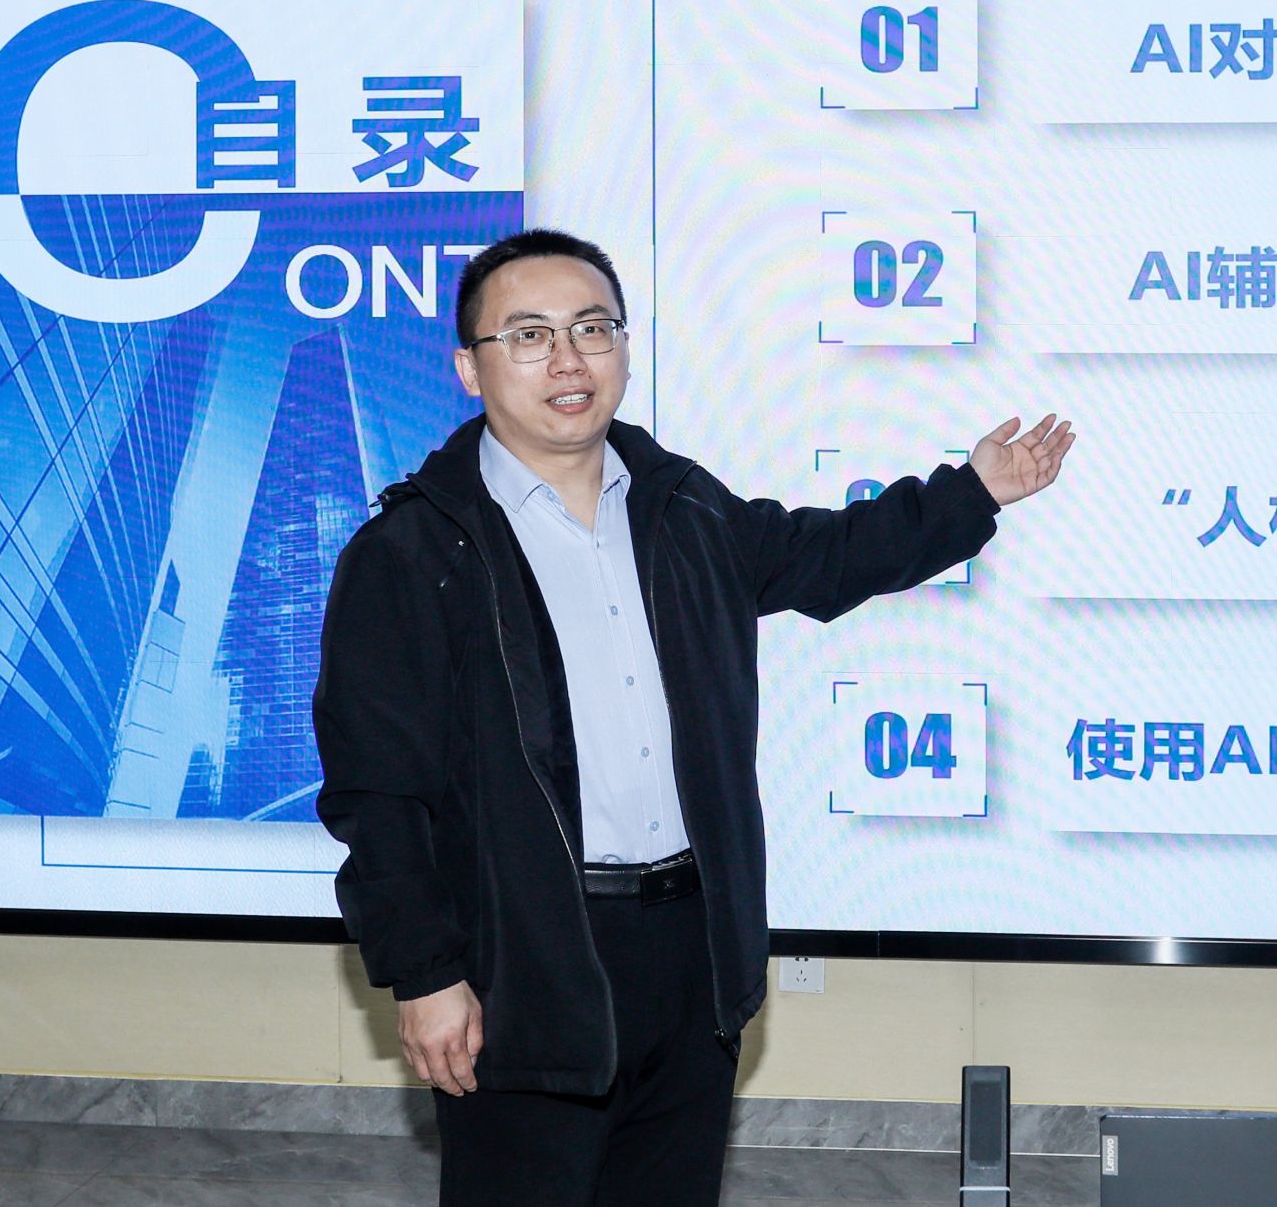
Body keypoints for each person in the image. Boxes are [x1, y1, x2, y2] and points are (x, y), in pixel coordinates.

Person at [312, 227, 1073, 1207]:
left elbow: (826, 555)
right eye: (530, 335)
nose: (569, 359)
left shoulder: (683, 511)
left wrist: (973, 493)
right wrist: (423, 975)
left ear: (625, 350)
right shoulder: (415, 552)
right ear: (470, 368)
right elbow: (378, 794)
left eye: (593, 329)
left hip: (691, 948)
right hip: (525, 958)